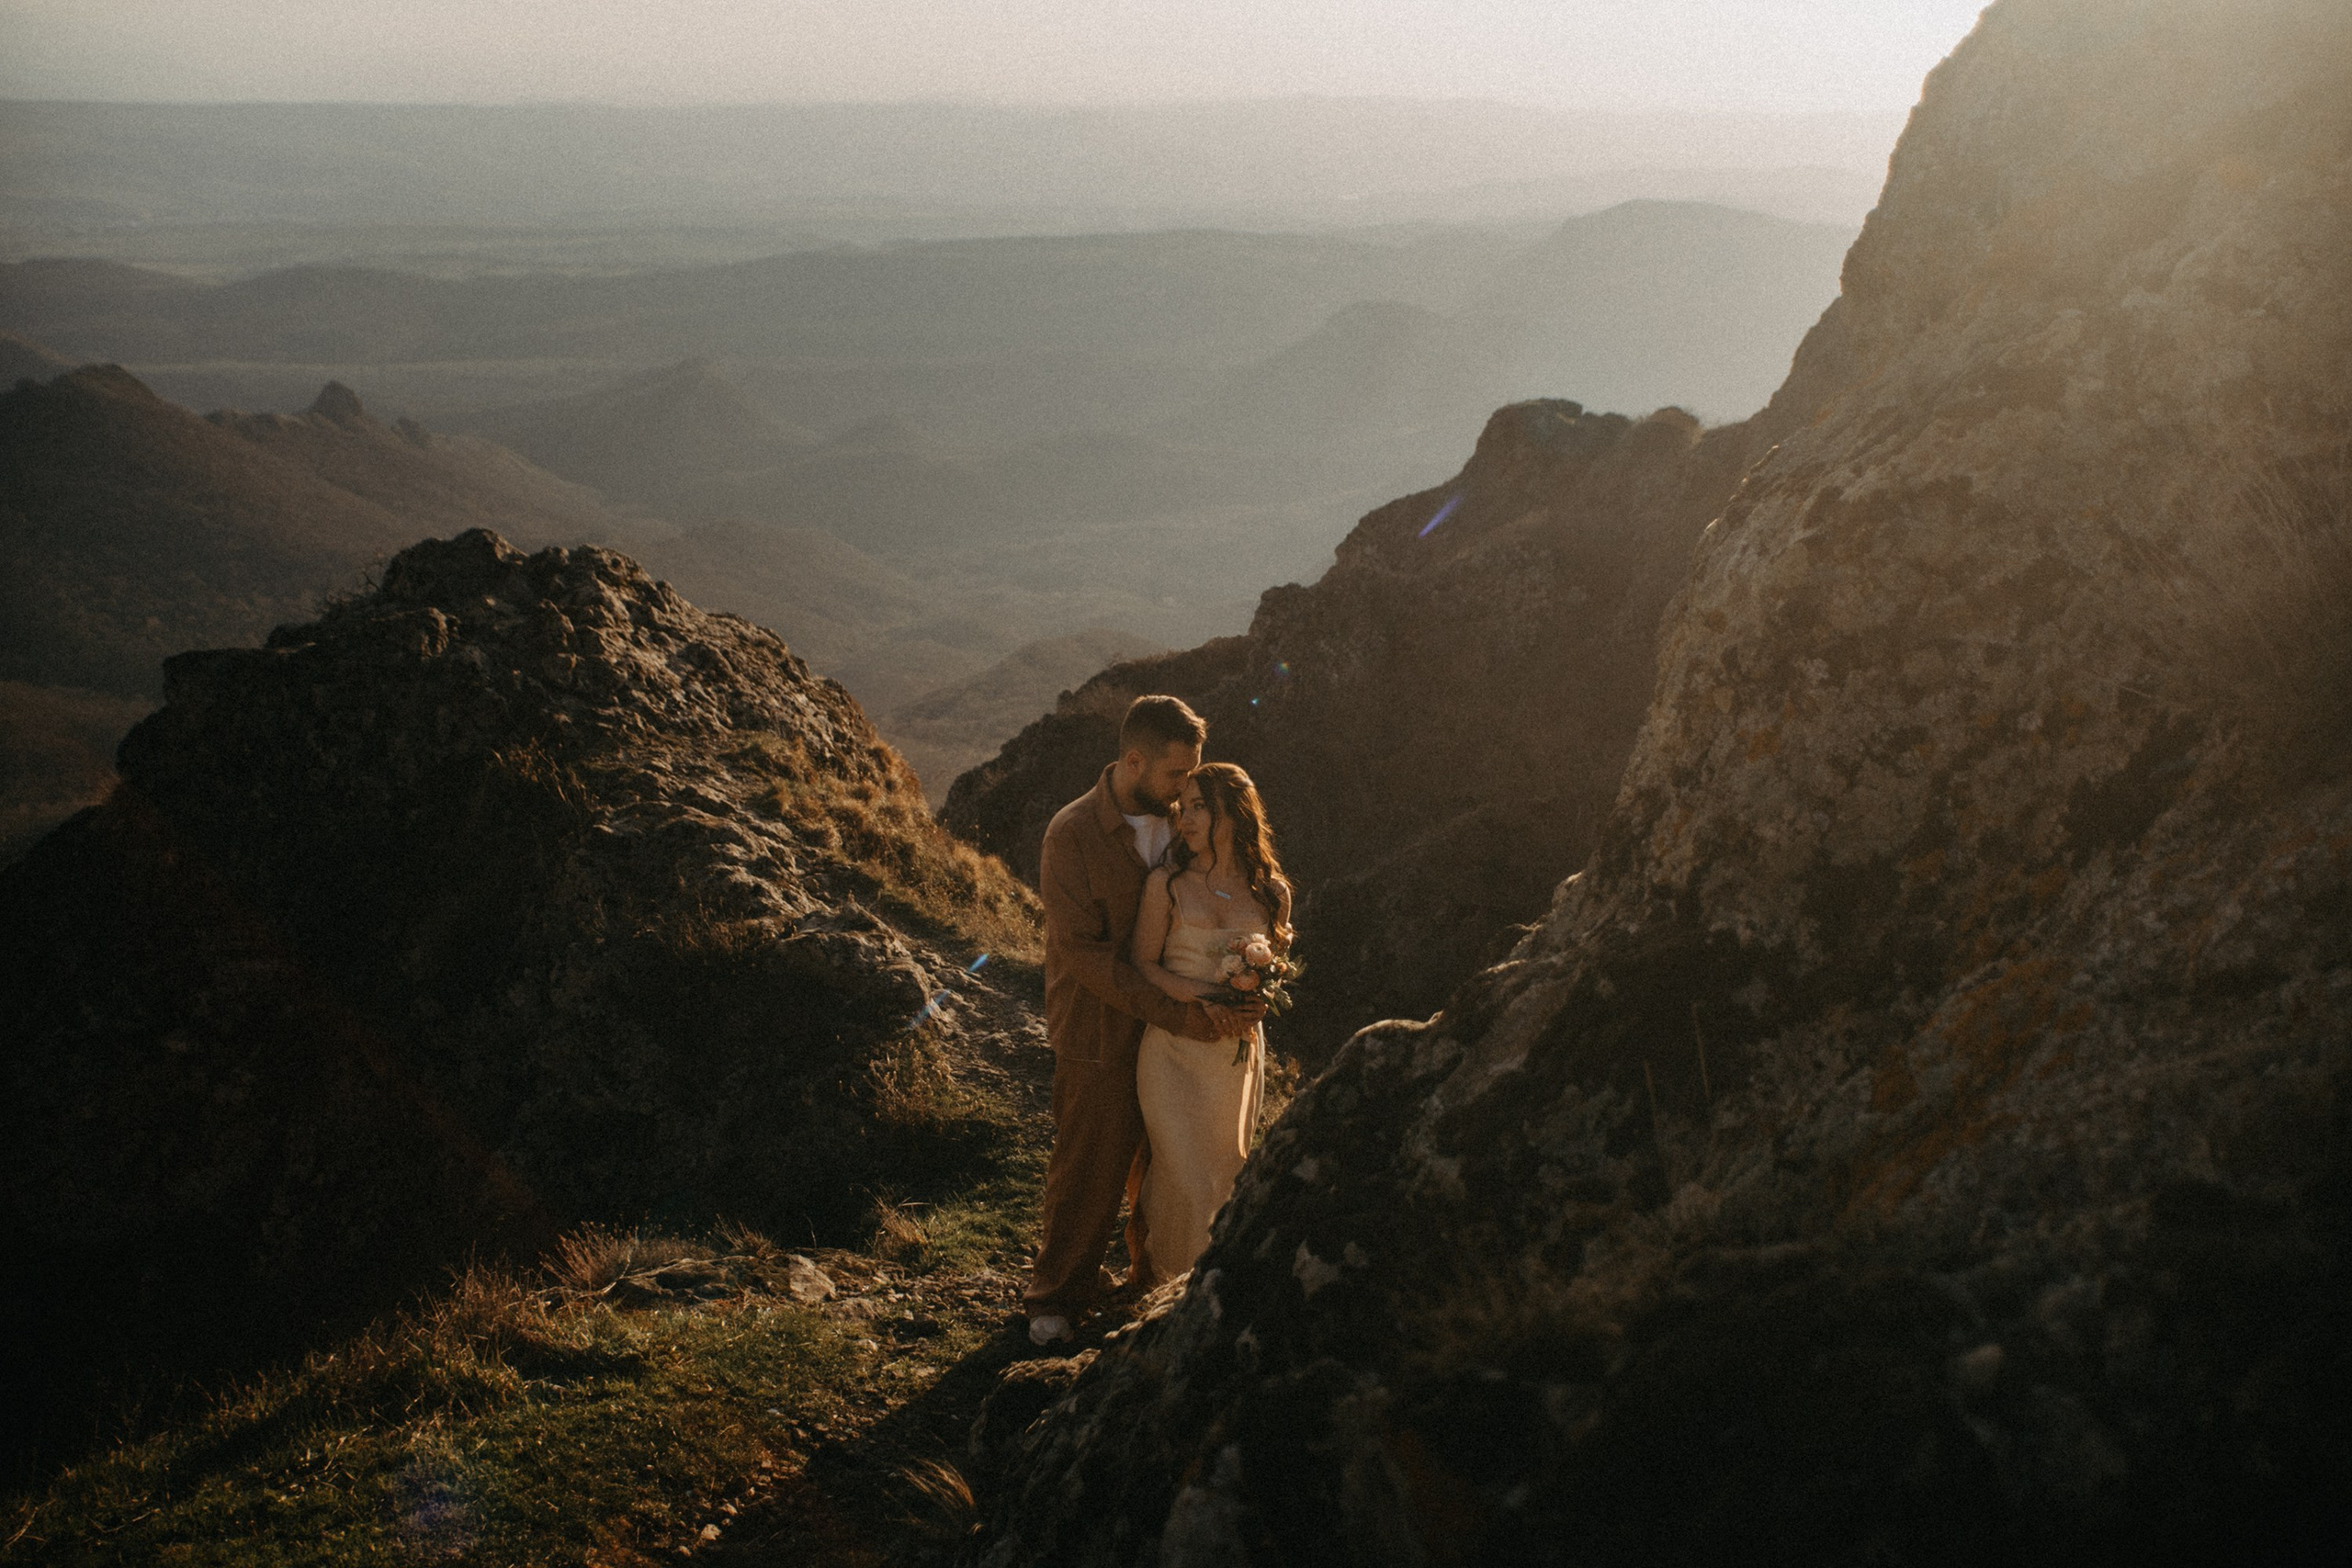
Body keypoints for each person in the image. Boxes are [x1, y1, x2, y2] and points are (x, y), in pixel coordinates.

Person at [1024, 695, 1262, 1347]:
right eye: (1177, 774)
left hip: (1171, 1031)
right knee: (1090, 1162)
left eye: (1196, 772)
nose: (1189, 788)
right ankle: (1056, 1294)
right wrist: (1178, 1008)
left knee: (1170, 1160)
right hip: (1098, 1026)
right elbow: (1084, 956)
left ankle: (1146, 1279)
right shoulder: (1070, 835)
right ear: (1134, 760)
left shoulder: (1181, 824)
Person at [1127, 762, 1291, 1289]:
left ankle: (1195, 1298)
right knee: (1181, 1172)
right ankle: (1171, 1284)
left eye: (1200, 806)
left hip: (1235, 1058)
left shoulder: (1272, 894)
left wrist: (1259, 1002)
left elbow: (1275, 976)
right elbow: (1145, 965)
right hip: (1172, 1051)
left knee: (1226, 1170)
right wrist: (1206, 995)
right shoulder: (1166, 884)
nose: (1186, 817)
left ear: (1234, 814)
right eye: (1185, 805)